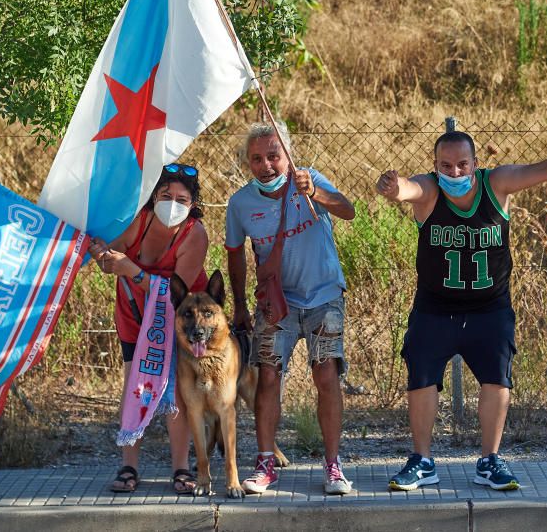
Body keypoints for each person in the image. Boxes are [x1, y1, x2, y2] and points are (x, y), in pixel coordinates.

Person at [376, 130, 547, 491]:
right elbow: (410, 188)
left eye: (462, 164)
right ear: (435, 166)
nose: (454, 173)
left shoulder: (496, 184)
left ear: (475, 164)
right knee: (421, 377)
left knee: (496, 378)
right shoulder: (432, 190)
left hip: (489, 306)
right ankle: (422, 460)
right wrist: (394, 188)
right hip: (435, 307)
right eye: (446, 165)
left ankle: (490, 460)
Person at [226, 122, 356, 496]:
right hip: (277, 304)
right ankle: (265, 462)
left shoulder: (309, 179)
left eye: (273, 155)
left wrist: (316, 192)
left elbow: (348, 210)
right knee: (268, 377)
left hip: (323, 296)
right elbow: (235, 256)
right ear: (247, 163)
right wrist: (238, 306)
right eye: (257, 158)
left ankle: (333, 467)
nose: (266, 165)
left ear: (287, 154)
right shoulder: (240, 204)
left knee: (326, 375)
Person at [88, 163, 209, 495]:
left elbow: (176, 290)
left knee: (177, 394)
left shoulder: (194, 234)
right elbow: (110, 255)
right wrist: (103, 254)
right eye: (166, 195)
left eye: (182, 199)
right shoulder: (139, 221)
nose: (172, 203)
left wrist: (131, 270)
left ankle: (181, 468)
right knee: (134, 386)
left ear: (193, 204)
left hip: (178, 319)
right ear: (153, 196)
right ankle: (129, 466)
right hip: (133, 314)